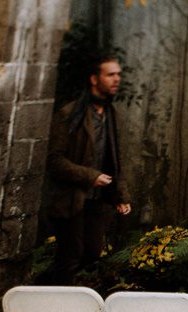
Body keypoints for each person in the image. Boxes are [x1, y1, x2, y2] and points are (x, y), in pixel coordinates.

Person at [45, 54, 132, 283]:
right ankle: (53, 306)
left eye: (118, 74)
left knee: (91, 254)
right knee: (70, 256)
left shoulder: (112, 116)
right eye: (110, 74)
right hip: (70, 200)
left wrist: (120, 196)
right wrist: (90, 176)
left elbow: (115, 160)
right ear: (94, 79)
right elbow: (54, 161)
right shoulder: (69, 114)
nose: (117, 79)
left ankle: (48, 289)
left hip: (97, 201)